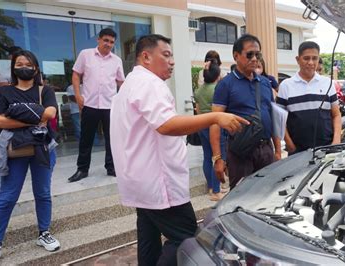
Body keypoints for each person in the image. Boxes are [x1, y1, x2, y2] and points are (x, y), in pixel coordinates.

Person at [110, 34, 248, 266]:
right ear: (145, 57)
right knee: (185, 240)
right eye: (166, 55)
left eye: (172, 55)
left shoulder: (130, 85)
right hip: (159, 182)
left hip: (140, 180)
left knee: (148, 237)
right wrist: (215, 117)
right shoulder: (149, 84)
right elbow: (165, 125)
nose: (172, 61)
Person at [0, 50, 60, 265]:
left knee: (43, 193)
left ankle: (44, 232)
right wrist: (35, 116)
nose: (24, 66)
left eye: (28, 63)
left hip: (42, 148)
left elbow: (50, 114)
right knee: (7, 196)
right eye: (19, 63)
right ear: (13, 67)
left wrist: (15, 113)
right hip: (14, 151)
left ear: (35, 68)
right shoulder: (3, 93)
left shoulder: (45, 90)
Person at [210, 34, 282, 189]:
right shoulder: (225, 85)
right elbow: (214, 123)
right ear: (236, 56)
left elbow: (273, 116)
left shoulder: (264, 83)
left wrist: (277, 150)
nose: (255, 58)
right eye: (249, 54)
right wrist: (218, 158)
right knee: (240, 196)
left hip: (265, 149)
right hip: (240, 152)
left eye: (258, 54)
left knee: (267, 194)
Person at [68, 28, 125, 183]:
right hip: (90, 104)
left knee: (112, 139)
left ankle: (112, 167)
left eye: (112, 42)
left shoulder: (116, 60)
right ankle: (82, 169)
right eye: (106, 40)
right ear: (98, 40)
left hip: (110, 106)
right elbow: (76, 74)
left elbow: (121, 82)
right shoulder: (85, 55)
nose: (108, 44)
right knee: (86, 139)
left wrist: (124, 100)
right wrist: (78, 95)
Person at [277, 41, 341, 154]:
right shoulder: (286, 86)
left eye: (314, 58)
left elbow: (336, 114)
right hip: (298, 152)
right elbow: (279, 120)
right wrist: (290, 144)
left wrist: (336, 141)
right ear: (298, 59)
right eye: (306, 58)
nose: (311, 62)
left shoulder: (328, 83)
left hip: (327, 148)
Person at [194, 55, 227, 201]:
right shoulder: (218, 89)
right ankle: (216, 191)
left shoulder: (199, 91)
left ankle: (210, 187)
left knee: (207, 157)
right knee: (218, 157)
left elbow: (198, 109)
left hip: (202, 125)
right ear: (217, 75)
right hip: (216, 126)